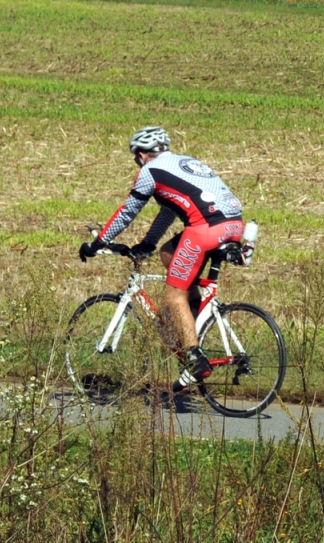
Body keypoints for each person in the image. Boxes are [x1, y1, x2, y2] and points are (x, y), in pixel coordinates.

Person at [80, 126, 245, 383]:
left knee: (172, 295)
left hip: (205, 230)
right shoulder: (182, 162)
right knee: (168, 254)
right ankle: (192, 317)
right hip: (233, 225)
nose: (137, 162)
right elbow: (169, 212)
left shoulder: (149, 172)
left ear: (143, 154)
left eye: (136, 157)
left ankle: (194, 358)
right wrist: (148, 243)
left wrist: (99, 241)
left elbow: (127, 212)